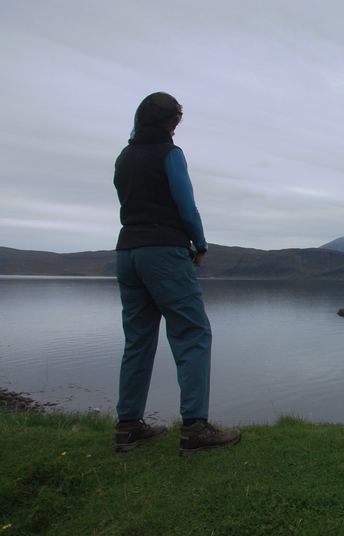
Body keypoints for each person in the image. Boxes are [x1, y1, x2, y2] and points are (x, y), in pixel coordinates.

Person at [113, 92, 240, 455]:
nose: (176, 127)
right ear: (169, 123)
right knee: (193, 333)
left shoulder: (124, 157)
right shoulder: (171, 155)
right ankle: (195, 429)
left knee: (137, 339)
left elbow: (126, 200)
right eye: (175, 121)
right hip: (164, 254)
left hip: (127, 252)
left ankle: (128, 426)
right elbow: (186, 204)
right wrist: (199, 244)